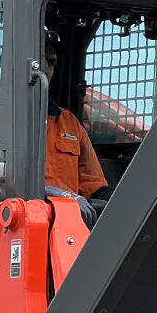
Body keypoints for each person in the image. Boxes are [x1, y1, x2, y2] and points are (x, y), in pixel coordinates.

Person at [43, 29, 111, 202]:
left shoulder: (68, 123)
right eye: (38, 60)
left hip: (65, 223)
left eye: (51, 62)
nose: (46, 69)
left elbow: (94, 185)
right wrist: (47, 192)